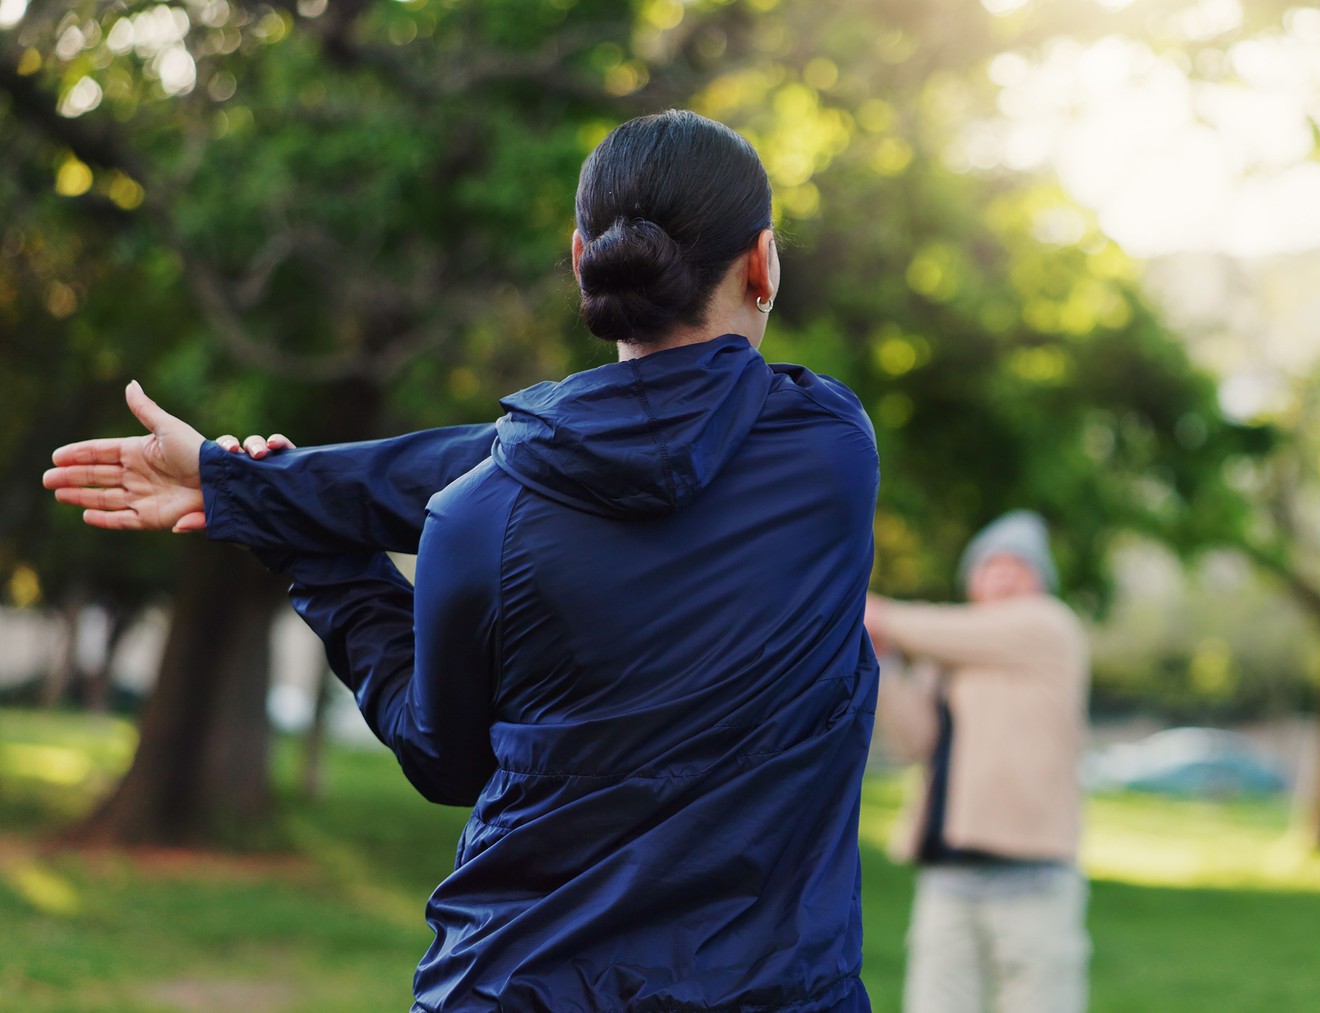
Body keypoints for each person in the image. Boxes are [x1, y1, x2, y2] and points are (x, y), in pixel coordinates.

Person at [44, 111, 881, 1012]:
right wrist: (259, 489)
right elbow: (516, 456)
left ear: (579, 259)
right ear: (764, 263)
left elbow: (446, 754)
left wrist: (292, 527)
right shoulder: (832, 451)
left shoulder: (479, 517)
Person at [864, 510, 1091, 1013]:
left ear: (1041, 583)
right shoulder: (947, 659)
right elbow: (916, 743)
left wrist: (869, 610)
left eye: (1020, 566)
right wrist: (883, 661)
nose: (1005, 575)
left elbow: (923, 625)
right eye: (992, 565)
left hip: (1030, 875)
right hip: (948, 873)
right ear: (973, 580)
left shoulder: (1049, 626)